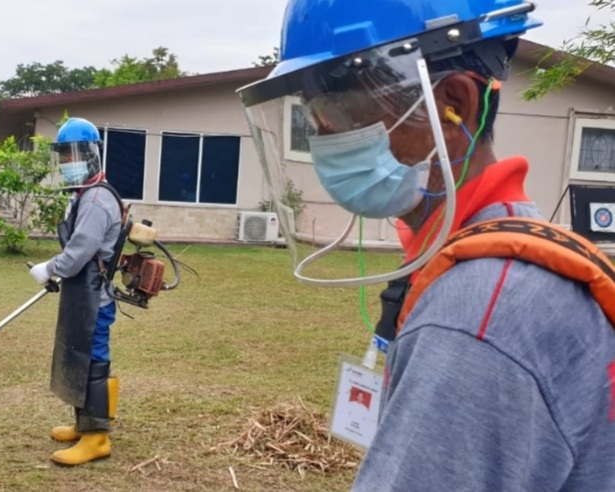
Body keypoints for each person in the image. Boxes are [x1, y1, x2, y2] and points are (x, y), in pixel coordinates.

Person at [240, 1, 615, 490]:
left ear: (453, 102)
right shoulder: (510, 253)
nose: (324, 140)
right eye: (316, 121)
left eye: (342, 113)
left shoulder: (477, 314)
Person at [29, 117, 123, 466]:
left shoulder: (97, 198)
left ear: (92, 154)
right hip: (82, 292)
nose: (69, 163)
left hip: (94, 296)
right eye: (64, 156)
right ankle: (84, 426)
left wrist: (50, 268)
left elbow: (82, 249)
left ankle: (97, 438)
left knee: (93, 360)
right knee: (78, 357)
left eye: (74, 155)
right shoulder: (85, 193)